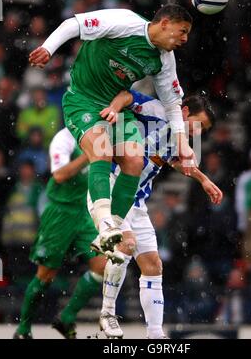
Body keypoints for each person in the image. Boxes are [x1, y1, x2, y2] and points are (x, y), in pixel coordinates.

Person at [29, 4, 196, 255]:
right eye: (182, 31)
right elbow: (73, 24)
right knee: (102, 150)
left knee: (134, 160)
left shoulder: (164, 59)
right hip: (83, 99)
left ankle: (111, 231)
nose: (185, 39)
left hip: (116, 107)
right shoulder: (124, 22)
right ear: (164, 24)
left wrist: (182, 142)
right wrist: (48, 48)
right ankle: (104, 223)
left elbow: (173, 105)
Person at [88, 89, 223, 339]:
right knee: (125, 245)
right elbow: (126, 95)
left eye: (203, 130)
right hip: (112, 188)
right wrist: (116, 108)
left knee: (153, 265)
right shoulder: (156, 109)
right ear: (184, 112)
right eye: (198, 124)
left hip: (137, 202)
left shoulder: (178, 139)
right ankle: (107, 313)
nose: (198, 132)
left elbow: (175, 161)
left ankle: (155, 334)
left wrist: (204, 180)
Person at [13, 127, 116, 339]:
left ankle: (67, 316)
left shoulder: (101, 135)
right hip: (60, 212)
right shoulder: (64, 138)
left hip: (83, 212)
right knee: (46, 275)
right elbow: (59, 175)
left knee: (103, 264)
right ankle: (23, 329)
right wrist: (89, 154)